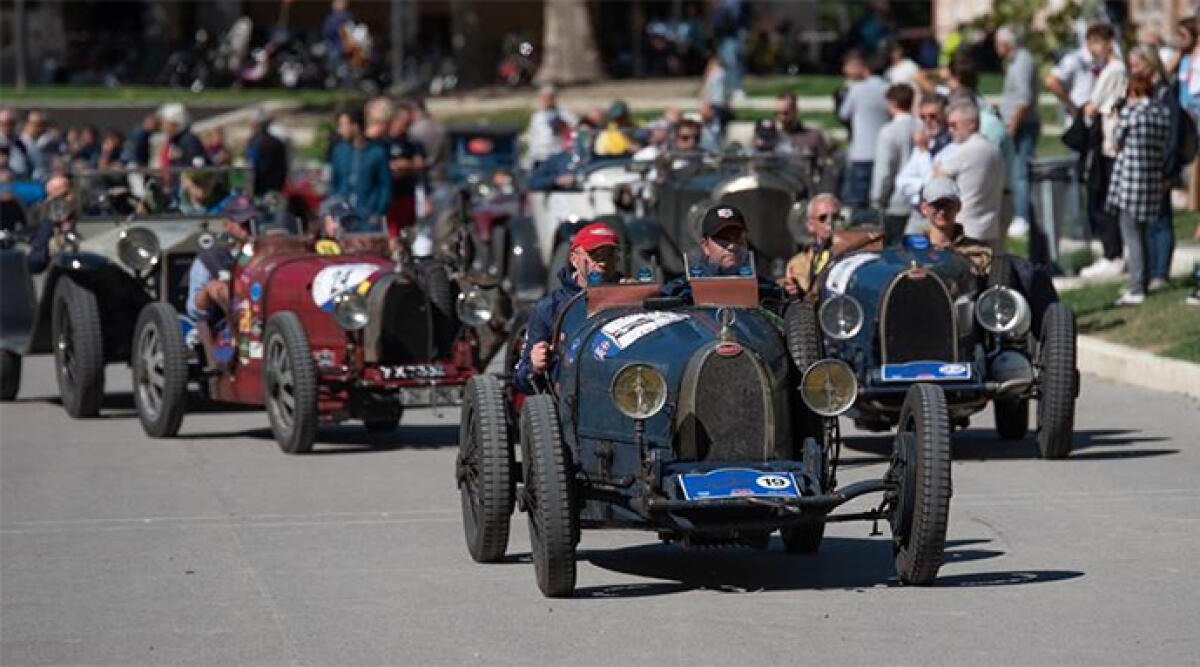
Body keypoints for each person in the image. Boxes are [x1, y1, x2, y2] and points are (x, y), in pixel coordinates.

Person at [514, 222, 621, 394]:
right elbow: (520, 378)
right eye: (595, 255)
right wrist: (535, 365)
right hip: (572, 395)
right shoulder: (550, 307)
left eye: (609, 255)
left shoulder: (633, 296)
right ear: (574, 259)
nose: (602, 262)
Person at [1106, 73, 1171, 306]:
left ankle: (1136, 288)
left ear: (1133, 93)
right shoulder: (1161, 113)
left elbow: (1116, 140)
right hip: (1151, 181)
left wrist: (1117, 117)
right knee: (1143, 234)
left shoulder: (1132, 114)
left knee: (1132, 237)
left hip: (1130, 182)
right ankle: (1142, 280)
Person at [662, 204, 799, 303]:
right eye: (723, 239)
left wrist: (789, 293)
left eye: (738, 239)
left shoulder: (766, 288)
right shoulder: (683, 290)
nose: (732, 246)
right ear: (705, 246)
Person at [1129, 44, 1183, 293]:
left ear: (1149, 64)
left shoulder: (1164, 93)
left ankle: (1160, 272)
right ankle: (1149, 273)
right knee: (1148, 221)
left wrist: (1167, 169)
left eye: (1137, 64)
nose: (1133, 69)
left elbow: (1172, 135)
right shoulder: (1147, 91)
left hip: (1159, 167)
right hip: (1145, 167)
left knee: (1160, 220)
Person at [1078, 25, 1129, 279]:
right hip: (1105, 143)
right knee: (1099, 196)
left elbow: (1093, 105)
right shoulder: (1106, 69)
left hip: (1110, 144)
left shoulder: (1115, 70)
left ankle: (1114, 254)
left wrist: (1090, 108)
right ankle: (1112, 252)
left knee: (1104, 198)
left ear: (1109, 42)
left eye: (1097, 42)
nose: (1093, 49)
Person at [186, 197, 259, 366]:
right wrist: (208, 291)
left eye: (251, 222)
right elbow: (195, 310)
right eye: (243, 223)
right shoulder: (210, 259)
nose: (248, 228)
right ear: (227, 225)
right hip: (228, 327)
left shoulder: (262, 254)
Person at [933, 99, 1006, 250]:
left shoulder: (965, 150)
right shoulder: (994, 149)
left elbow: (937, 180)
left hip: (964, 228)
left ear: (972, 124)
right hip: (990, 227)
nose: (950, 131)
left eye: (954, 125)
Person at [995, 26, 1040, 242]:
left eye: (998, 43)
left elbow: (1024, 98)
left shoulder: (1022, 62)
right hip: (1016, 124)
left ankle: (1022, 217)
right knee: (1014, 172)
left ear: (1006, 43)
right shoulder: (1014, 61)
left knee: (1020, 172)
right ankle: (1019, 214)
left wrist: (1013, 124)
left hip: (1022, 126)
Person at [838, 49, 891, 217]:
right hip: (882, 152)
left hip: (860, 152)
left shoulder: (857, 89)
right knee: (879, 200)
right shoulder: (889, 88)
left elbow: (843, 114)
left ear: (866, 68)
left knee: (858, 200)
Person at [871, 84, 922, 242]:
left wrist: (878, 198)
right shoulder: (921, 126)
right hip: (918, 199)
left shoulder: (889, 131)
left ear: (892, 103)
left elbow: (885, 171)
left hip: (895, 201)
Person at [896, 95, 952, 235]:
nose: (927, 121)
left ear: (945, 116)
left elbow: (937, 187)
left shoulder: (951, 145)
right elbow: (902, 181)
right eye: (923, 117)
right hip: (918, 214)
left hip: (940, 216)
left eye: (933, 116)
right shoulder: (923, 145)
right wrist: (922, 186)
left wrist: (924, 153)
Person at [918, 176, 993, 277]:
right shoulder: (912, 250)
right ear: (924, 208)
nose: (942, 211)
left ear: (958, 207)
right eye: (937, 205)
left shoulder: (981, 251)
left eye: (948, 205)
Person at [329, 106, 391, 225]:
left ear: (355, 126)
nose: (339, 131)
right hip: (343, 217)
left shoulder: (377, 152)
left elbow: (385, 186)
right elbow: (334, 185)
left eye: (343, 125)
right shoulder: (339, 151)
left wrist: (378, 211)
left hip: (367, 216)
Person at [385, 102, 427, 239]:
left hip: (407, 192)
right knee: (392, 232)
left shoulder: (412, 142)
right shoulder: (385, 142)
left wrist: (406, 165)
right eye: (404, 122)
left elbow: (419, 164)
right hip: (390, 194)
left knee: (408, 231)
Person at [785, 193, 839, 296]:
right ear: (810, 225)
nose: (830, 222)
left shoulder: (850, 254)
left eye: (835, 217)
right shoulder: (797, 263)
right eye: (823, 218)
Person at [26, 175, 75, 274]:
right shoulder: (48, 224)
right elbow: (35, 262)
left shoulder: (93, 215)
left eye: (65, 195)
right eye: (56, 198)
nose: (62, 202)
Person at [525, 85, 578, 168]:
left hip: (557, 153)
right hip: (538, 155)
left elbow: (574, 129)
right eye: (544, 97)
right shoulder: (537, 116)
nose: (546, 100)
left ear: (554, 98)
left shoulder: (564, 113)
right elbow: (532, 135)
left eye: (549, 97)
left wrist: (562, 126)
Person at [775, 91, 831, 159]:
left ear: (795, 111)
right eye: (778, 113)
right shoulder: (773, 138)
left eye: (785, 113)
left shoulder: (813, 137)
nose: (781, 117)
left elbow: (827, 163)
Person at [244, 110, 288, 195]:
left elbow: (251, 164)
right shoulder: (277, 142)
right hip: (276, 187)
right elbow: (284, 167)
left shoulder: (254, 142)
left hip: (259, 187)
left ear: (255, 125)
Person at [158, 103, 207, 170]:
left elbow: (198, 166)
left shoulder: (188, 140)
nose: (163, 126)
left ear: (176, 123)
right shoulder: (174, 140)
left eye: (165, 122)